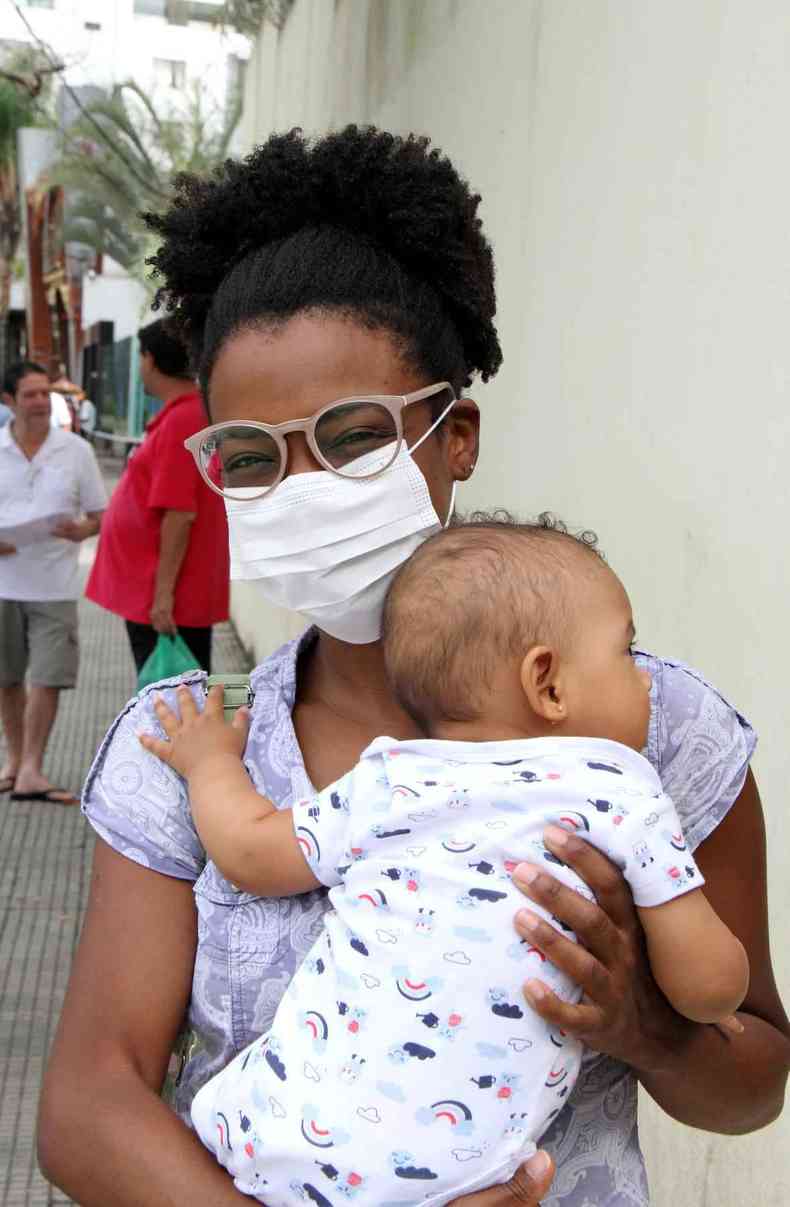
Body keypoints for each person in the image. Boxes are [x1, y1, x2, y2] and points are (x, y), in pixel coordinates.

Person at [38, 127, 789, 1207]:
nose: (302, 485)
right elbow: (88, 1101)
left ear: (456, 435)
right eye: (252, 455)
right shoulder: (190, 745)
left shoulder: (651, 730)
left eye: (350, 438)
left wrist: (641, 1023)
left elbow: (750, 1084)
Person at [139, 518, 749, 1205]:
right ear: (547, 682)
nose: (644, 679)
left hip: (267, 1134)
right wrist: (693, 985)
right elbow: (711, 985)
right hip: (446, 1176)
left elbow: (250, 850)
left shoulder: (389, 777)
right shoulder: (619, 787)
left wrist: (209, 762)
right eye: (626, 651)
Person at [85, 319, 229, 674]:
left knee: (171, 703)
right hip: (159, 592)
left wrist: (163, 596)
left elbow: (180, 513)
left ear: (149, 359)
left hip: (167, 598)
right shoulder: (184, 415)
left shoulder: (184, 419)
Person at [0, 360, 106, 805]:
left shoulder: (75, 451)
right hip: (3, 585)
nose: (41, 402)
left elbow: (99, 515)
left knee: (46, 677)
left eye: (46, 393)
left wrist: (81, 531)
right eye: (31, 394)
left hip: (55, 585)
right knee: (7, 680)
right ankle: (13, 761)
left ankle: (32, 768)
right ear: (9, 401)